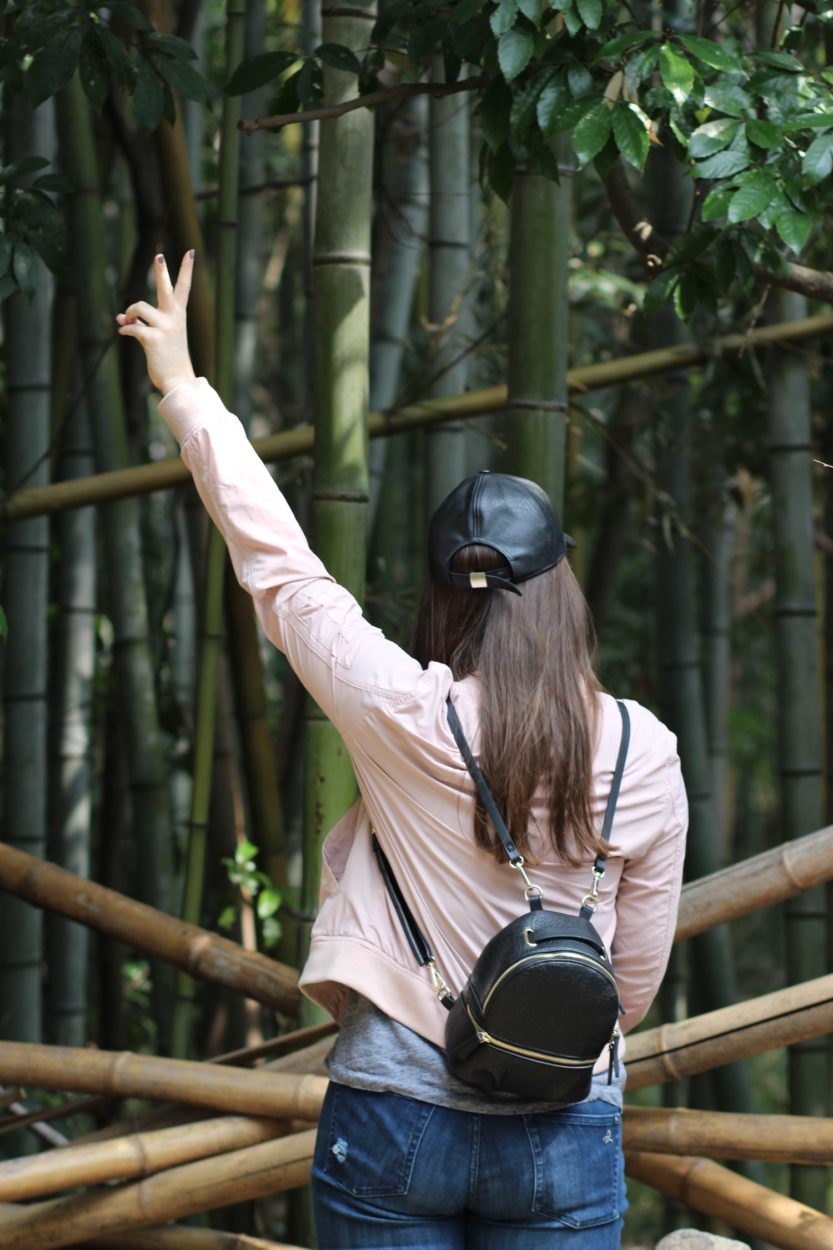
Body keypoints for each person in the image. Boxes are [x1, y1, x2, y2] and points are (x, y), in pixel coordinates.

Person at [118, 252, 688, 1250]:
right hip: (562, 1120)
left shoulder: (399, 710)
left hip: (394, 1106)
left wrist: (183, 385)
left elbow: (283, 572)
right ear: (561, 592)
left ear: (438, 593)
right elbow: (628, 983)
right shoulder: (644, 748)